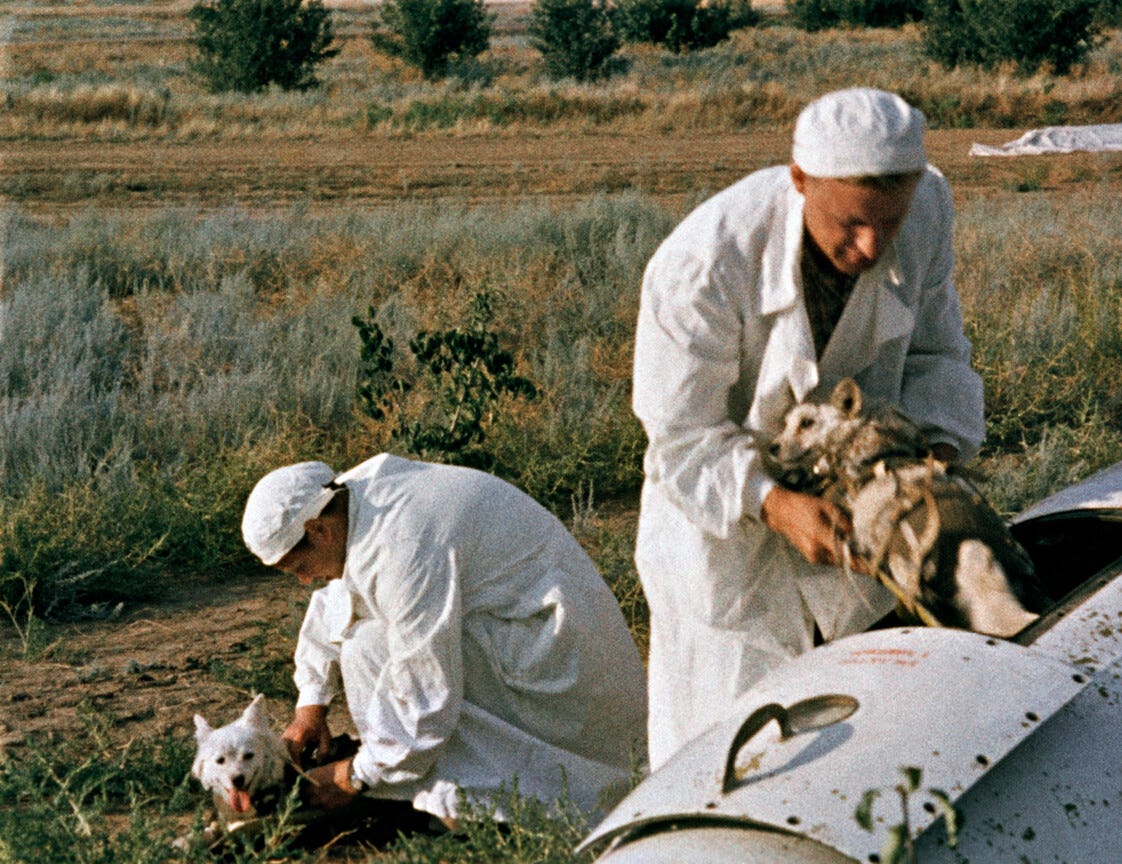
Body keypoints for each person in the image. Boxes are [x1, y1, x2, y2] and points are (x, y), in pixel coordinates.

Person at [631, 87, 985, 769]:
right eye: (849, 223)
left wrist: (929, 460)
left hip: (862, 519)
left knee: (858, 733)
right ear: (800, 181)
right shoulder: (704, 266)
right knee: (725, 747)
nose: (872, 244)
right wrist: (774, 503)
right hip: (721, 530)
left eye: (890, 220)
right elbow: (681, 435)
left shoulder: (928, 208)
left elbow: (939, 356)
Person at [240, 454, 648, 827]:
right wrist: (310, 708)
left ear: (318, 530)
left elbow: (425, 693)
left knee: (376, 649)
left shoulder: (405, 543)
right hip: (526, 633)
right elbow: (334, 601)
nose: (305, 580)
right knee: (367, 642)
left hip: (564, 667)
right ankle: (408, 784)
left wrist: (355, 775)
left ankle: (464, 805)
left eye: (300, 567)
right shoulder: (353, 500)